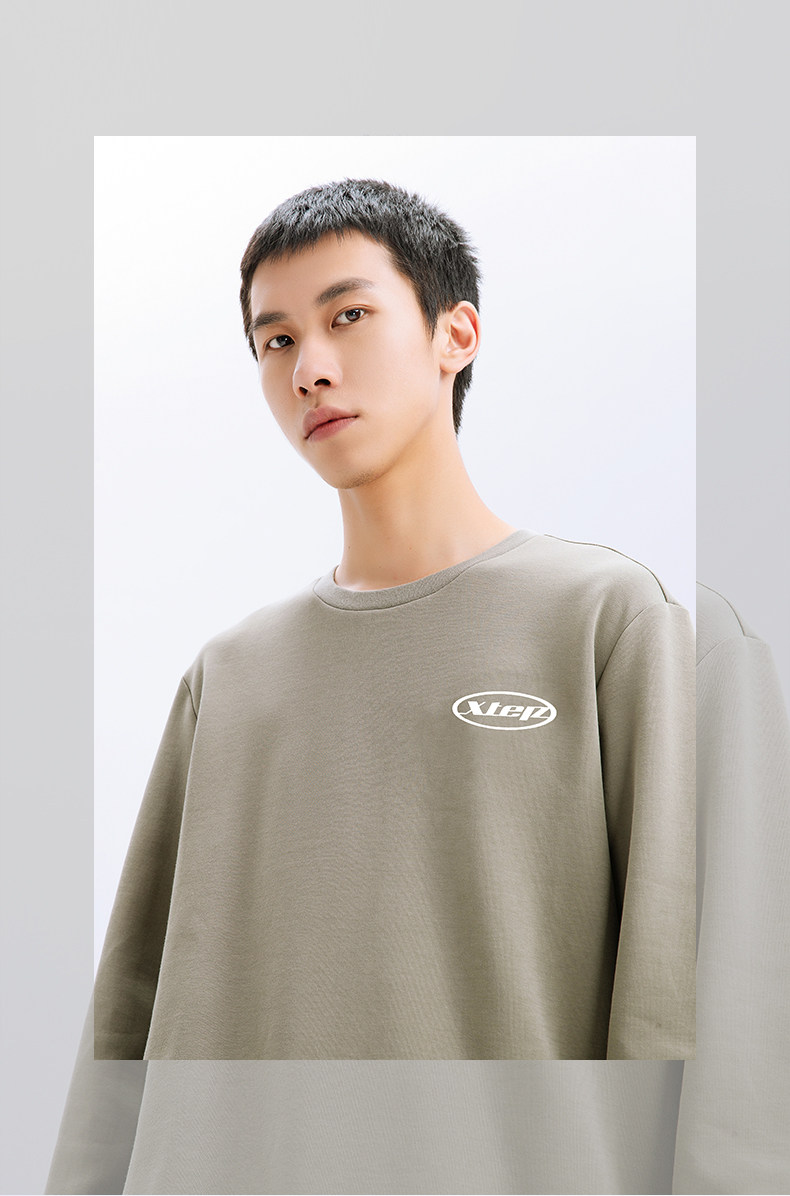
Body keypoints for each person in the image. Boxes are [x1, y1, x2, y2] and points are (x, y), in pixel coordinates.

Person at [91, 178, 695, 1061]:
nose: (309, 370)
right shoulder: (227, 678)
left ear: (456, 334)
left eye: (349, 317)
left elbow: (671, 987)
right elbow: (128, 1015)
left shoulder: (605, 621)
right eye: (276, 340)